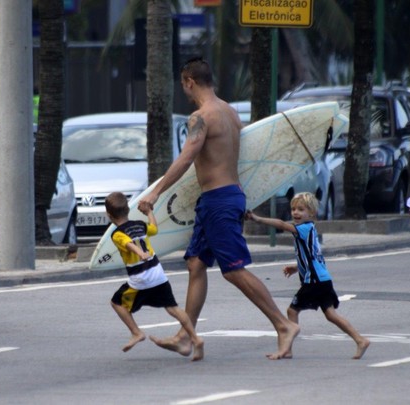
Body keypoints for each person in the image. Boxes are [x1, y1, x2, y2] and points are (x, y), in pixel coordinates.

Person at [137, 57, 299, 360]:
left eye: (183, 84)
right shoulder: (229, 111)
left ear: (188, 81)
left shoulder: (201, 117)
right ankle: (187, 337)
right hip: (223, 197)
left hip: (219, 200)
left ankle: (283, 325)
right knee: (196, 264)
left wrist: (156, 193)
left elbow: (187, 158)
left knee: (233, 270)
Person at [246, 192, 371, 359]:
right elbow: (313, 257)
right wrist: (297, 267)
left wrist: (257, 219)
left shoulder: (304, 229)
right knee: (331, 315)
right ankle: (360, 340)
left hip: (314, 281)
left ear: (311, 213)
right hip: (323, 279)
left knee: (292, 310)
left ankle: (287, 348)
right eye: (293, 209)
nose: (296, 213)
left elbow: (282, 225)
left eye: (301, 209)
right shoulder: (310, 230)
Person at [105, 192, 204, 361]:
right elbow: (154, 229)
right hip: (157, 273)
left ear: (108, 215)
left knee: (116, 302)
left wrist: (140, 253)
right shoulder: (140, 225)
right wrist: (149, 212)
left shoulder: (116, 234)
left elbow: (128, 244)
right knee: (173, 308)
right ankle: (196, 338)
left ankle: (136, 333)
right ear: (128, 210)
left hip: (141, 278)